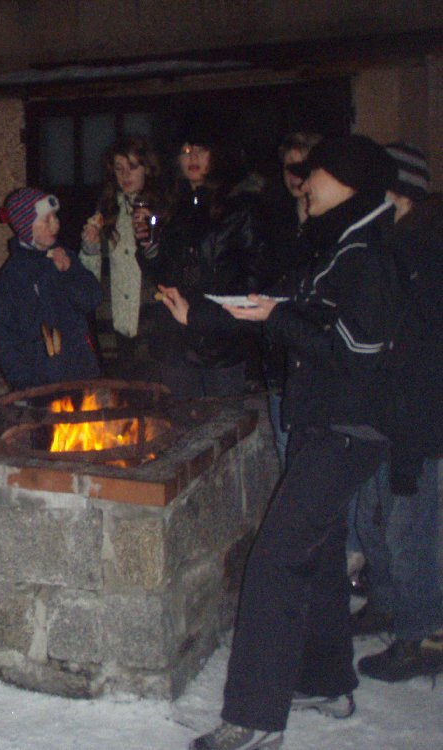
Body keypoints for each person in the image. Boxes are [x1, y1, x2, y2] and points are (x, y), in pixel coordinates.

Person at [165, 135, 400, 750]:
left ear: (346, 180)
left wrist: (277, 317)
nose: (302, 183)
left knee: (275, 561)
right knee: (315, 554)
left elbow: (354, 354)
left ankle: (255, 717)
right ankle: (325, 680)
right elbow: (283, 311)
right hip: (323, 423)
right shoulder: (338, 245)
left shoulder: (367, 255)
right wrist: (203, 316)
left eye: (313, 173)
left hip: (348, 430)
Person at [349, 143, 443, 682]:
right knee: (372, 515)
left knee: (409, 529)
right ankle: (386, 604)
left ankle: (422, 633)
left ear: (395, 193)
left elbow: (421, 352)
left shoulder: (422, 251)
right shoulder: (394, 244)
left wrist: (412, 434)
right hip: (387, 411)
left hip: (418, 418)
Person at [137, 123, 267, 399]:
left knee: (224, 419)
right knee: (177, 420)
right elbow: (163, 275)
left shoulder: (241, 206)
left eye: (201, 150)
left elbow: (253, 275)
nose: (193, 157)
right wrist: (150, 248)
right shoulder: (171, 205)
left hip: (221, 340)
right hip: (174, 342)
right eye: (186, 151)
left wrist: (211, 317)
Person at [0, 187, 103, 390]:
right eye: (46, 220)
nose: (55, 224)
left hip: (80, 373)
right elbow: (5, 333)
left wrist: (69, 272)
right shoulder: (13, 274)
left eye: (55, 217)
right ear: (27, 227)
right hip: (39, 380)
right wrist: (22, 381)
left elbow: (92, 299)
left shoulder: (65, 256)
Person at [259, 132, 322, 469]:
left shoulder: (330, 225)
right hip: (280, 354)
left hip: (315, 354)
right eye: (288, 167)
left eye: (302, 166)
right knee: (284, 444)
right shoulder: (275, 219)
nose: (295, 176)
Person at [80, 137, 161, 370]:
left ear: (147, 169)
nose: (125, 175)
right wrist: (90, 248)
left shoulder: (163, 210)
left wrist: (153, 235)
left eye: (132, 167)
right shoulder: (105, 212)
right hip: (113, 325)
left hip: (153, 321)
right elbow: (90, 277)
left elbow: (169, 266)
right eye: (119, 168)